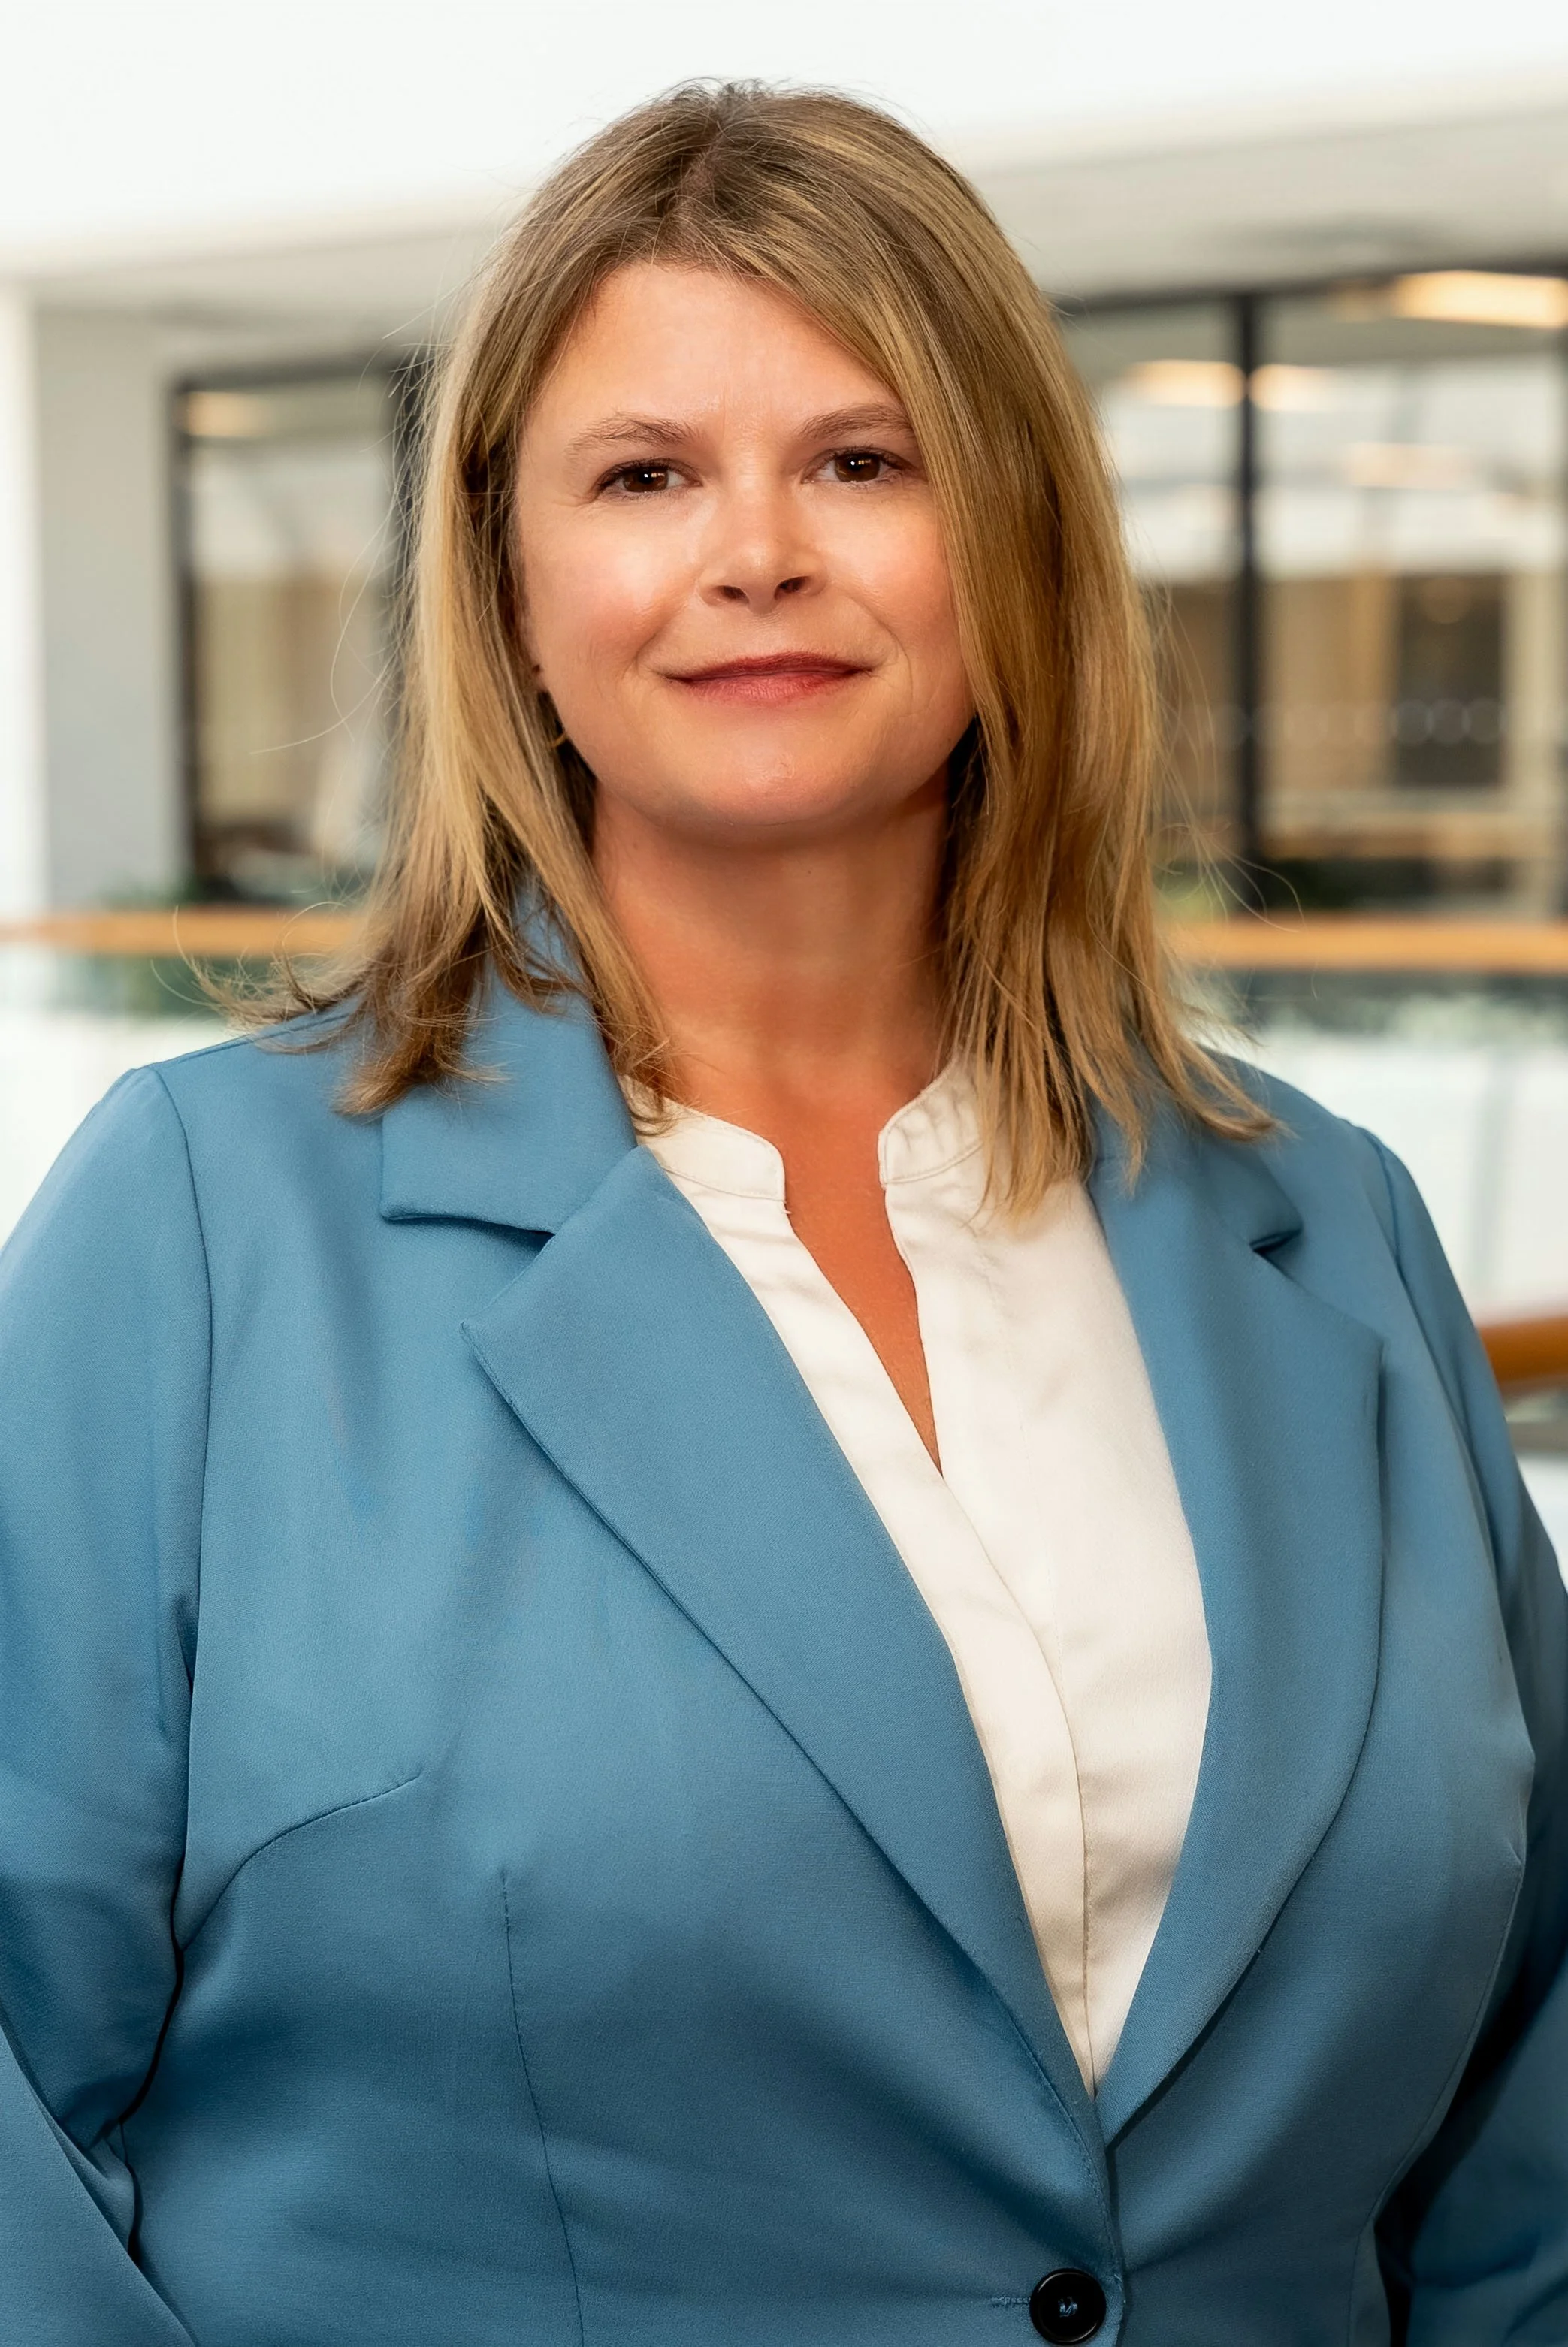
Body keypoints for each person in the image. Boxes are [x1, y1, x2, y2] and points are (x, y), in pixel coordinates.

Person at [0, 82, 1563, 2347]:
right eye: (644, 475)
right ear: (514, 596)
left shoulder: (1327, 1223)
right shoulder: (207, 1232)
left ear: (1012, 549)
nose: (757, 550)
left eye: (863, 458)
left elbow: (1527, 2076)